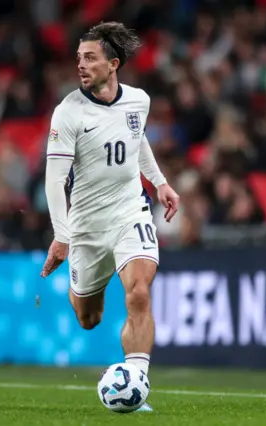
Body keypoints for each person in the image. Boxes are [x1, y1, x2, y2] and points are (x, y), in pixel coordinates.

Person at [40, 22, 180, 412]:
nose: (81, 66)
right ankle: (81, 288)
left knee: (138, 292)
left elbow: (136, 140)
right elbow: (55, 181)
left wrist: (159, 183)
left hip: (129, 211)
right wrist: (62, 235)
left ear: (113, 64)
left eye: (90, 58)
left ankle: (136, 383)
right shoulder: (67, 113)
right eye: (78, 59)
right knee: (89, 318)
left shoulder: (139, 100)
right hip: (86, 225)